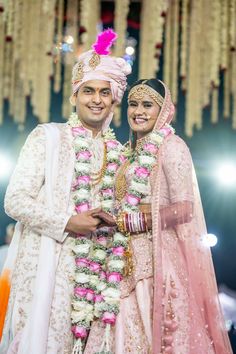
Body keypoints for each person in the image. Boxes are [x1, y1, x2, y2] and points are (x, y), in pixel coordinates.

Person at [0, 29, 131, 354]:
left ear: (115, 98)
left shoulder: (121, 153)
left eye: (104, 92)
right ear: (74, 96)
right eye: (88, 91)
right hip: (48, 269)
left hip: (101, 275)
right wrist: (68, 222)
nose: (96, 99)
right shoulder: (48, 137)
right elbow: (14, 200)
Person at [84, 79, 233, 353]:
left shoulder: (173, 146)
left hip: (157, 264)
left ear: (163, 110)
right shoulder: (129, 154)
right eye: (133, 104)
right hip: (119, 261)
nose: (138, 111)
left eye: (147, 105)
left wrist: (135, 220)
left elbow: (184, 208)